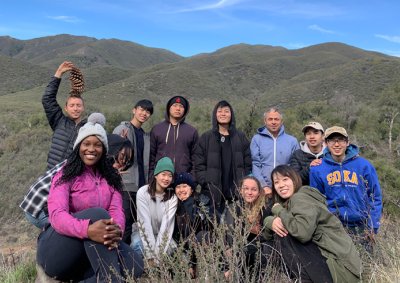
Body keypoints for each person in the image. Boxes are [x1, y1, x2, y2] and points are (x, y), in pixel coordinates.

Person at [36, 115, 143, 282]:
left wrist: (117, 231)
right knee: (97, 215)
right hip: (57, 251)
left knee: (135, 264)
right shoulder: (65, 174)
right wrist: (87, 229)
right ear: (78, 146)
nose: (91, 149)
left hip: (92, 250)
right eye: (86, 144)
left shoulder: (111, 178)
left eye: (97, 145)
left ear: (104, 149)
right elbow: (57, 215)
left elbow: (117, 211)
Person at [20, 114, 134, 230]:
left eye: (126, 162)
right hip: (39, 206)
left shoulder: (102, 173)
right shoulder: (72, 168)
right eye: (120, 159)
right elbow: (59, 213)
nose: (122, 164)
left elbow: (114, 209)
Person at [263, 165, 362, 283]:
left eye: (285, 179)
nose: (281, 185)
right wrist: (270, 221)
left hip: (340, 270)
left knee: (285, 233)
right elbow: (267, 238)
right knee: (279, 232)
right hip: (340, 268)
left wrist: (280, 211)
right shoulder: (293, 202)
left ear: (295, 179)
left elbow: (302, 233)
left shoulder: (300, 197)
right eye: (276, 182)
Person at [310, 126, 382, 248]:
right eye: (332, 140)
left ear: (347, 142)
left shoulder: (363, 165)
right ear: (325, 143)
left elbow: (374, 196)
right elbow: (316, 200)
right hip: (333, 226)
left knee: (369, 262)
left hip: (362, 225)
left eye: (340, 140)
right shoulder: (317, 169)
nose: (336, 144)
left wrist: (373, 226)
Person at [195, 100, 252, 216]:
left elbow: (247, 163)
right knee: (212, 228)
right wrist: (206, 182)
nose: (223, 114)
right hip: (212, 194)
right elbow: (199, 165)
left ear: (231, 115)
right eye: (220, 111)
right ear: (215, 115)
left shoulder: (240, 137)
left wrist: (243, 184)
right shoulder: (206, 137)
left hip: (235, 195)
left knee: (234, 228)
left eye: (226, 111)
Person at [113, 99, 154, 245]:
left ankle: (133, 261)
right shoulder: (122, 129)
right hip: (125, 186)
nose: (144, 113)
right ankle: (118, 262)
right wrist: (118, 145)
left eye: (148, 111)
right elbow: (111, 156)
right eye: (142, 109)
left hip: (141, 188)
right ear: (134, 110)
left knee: (138, 228)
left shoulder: (144, 135)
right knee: (124, 227)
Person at [224, 176, 273, 280]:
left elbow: (266, 238)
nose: (249, 192)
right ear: (240, 191)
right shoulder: (233, 208)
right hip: (239, 252)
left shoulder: (266, 208)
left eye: (253, 189)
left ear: (259, 192)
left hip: (259, 250)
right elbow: (231, 238)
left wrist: (242, 251)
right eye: (245, 188)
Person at [42, 61, 87, 170]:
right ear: (66, 108)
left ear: (83, 108)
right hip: (52, 174)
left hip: (74, 179)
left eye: (78, 105)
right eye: (72, 105)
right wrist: (59, 73)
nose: (75, 108)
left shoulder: (88, 128)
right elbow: (47, 99)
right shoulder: (59, 121)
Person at [135, 157, 178, 263]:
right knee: (138, 248)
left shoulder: (172, 198)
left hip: (161, 234)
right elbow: (144, 224)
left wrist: (157, 258)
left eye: (170, 175)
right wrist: (150, 255)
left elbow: (166, 227)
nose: (166, 178)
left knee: (172, 248)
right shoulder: (143, 192)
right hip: (142, 233)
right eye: (163, 174)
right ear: (156, 175)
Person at [251, 108, 299, 198]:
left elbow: (295, 166)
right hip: (264, 191)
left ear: (281, 121)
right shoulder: (257, 139)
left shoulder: (292, 141)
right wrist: (263, 186)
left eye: (276, 119)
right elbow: (255, 164)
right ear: (265, 121)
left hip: (286, 190)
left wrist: (287, 185)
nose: (273, 122)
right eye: (270, 119)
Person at [172, 171, 213, 278]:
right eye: (178, 187)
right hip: (182, 251)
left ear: (191, 188)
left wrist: (188, 202)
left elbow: (200, 223)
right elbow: (175, 237)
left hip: (200, 248)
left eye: (185, 186)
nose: (181, 190)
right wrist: (186, 259)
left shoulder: (203, 201)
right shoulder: (172, 206)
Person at [149, 95, 199, 179]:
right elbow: (151, 156)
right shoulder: (157, 128)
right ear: (169, 108)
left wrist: (193, 180)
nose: (178, 108)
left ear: (185, 110)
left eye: (181, 106)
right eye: (175, 105)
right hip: (161, 180)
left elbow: (195, 158)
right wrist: (151, 178)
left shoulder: (192, 131)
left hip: (183, 181)